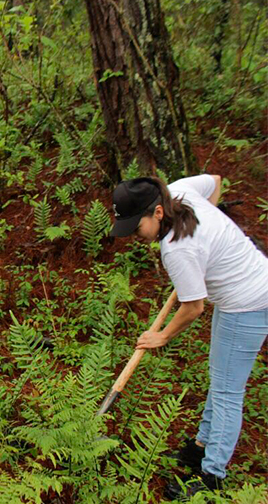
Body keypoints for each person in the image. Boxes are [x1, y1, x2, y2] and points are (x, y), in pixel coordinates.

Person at [109, 174, 268, 499]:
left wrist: (162, 336)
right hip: (247, 288)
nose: (134, 236)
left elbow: (193, 307)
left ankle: (212, 475)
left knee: (227, 392)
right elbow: (216, 180)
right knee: (221, 381)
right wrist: (209, 236)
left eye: (135, 227)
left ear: (157, 213)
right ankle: (199, 449)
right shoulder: (178, 190)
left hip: (249, 302)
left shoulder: (177, 249)